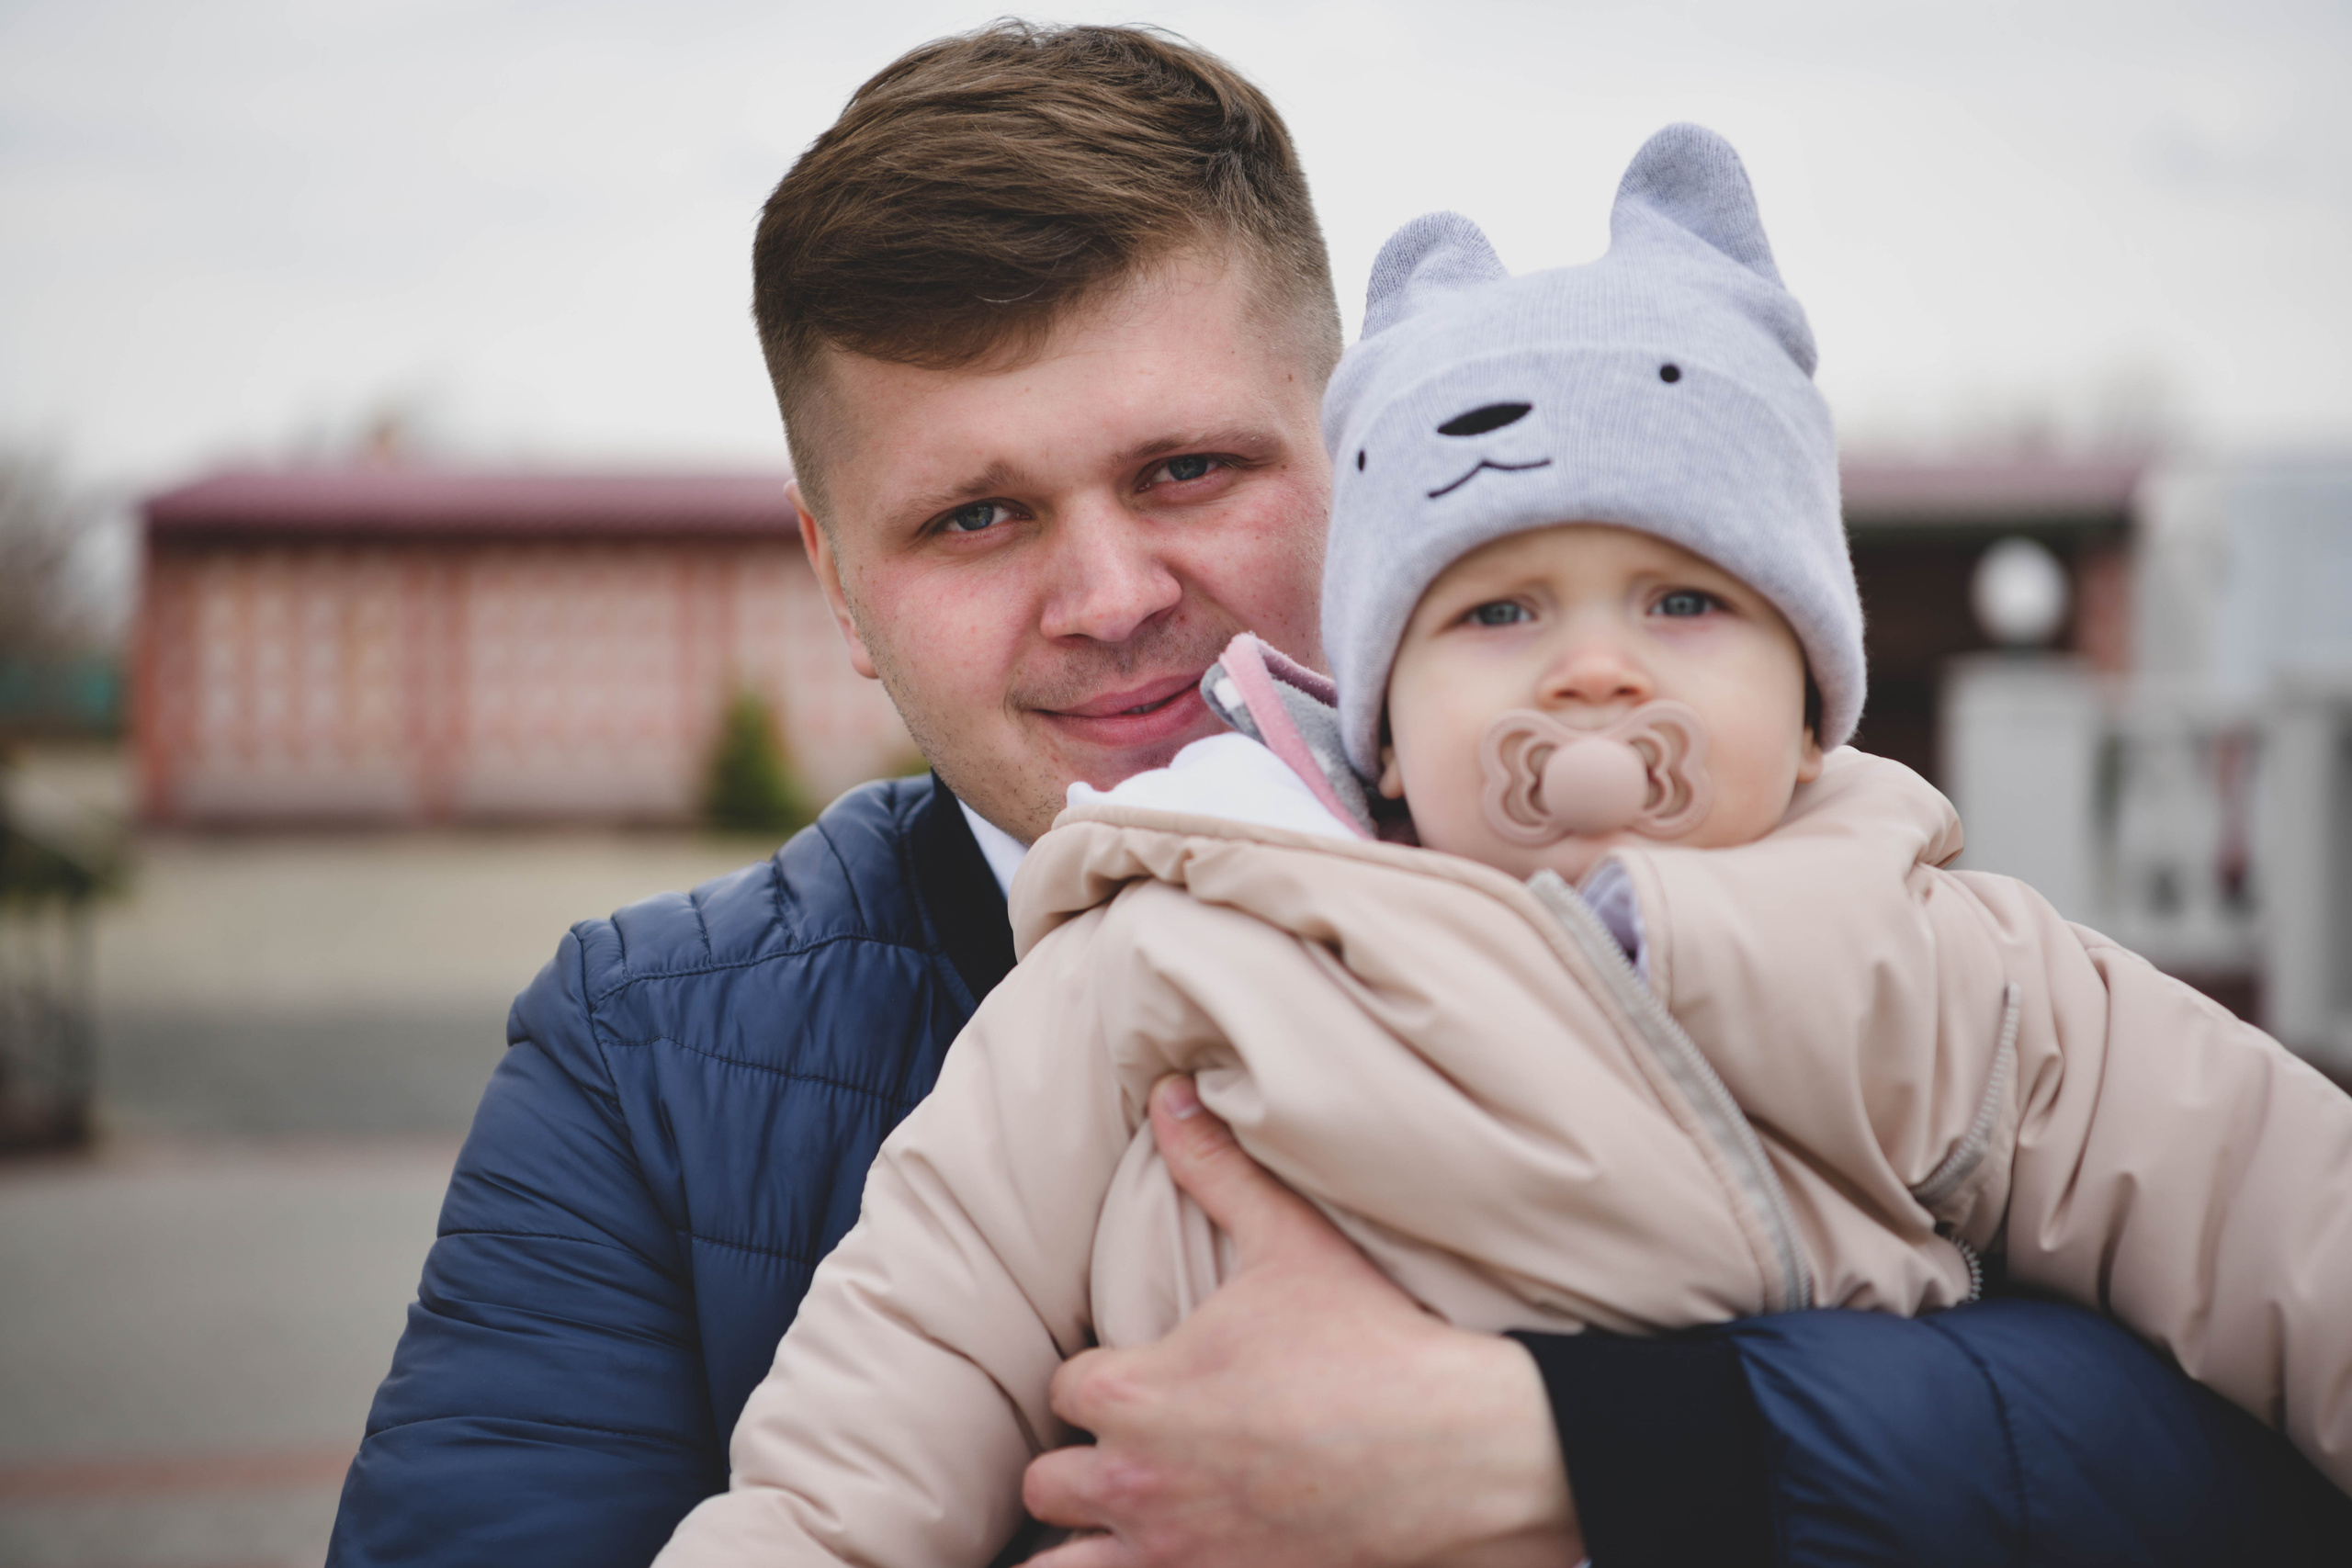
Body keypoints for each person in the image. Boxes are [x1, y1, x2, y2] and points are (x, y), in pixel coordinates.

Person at [327, 26, 2351, 1568]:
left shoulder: (1872, 929)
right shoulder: (645, 1055)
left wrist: (1570, 1451)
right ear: (838, 582)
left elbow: (2244, 1440)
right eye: (972, 515)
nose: (1110, 592)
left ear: (1359, 459)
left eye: (1188, 470)